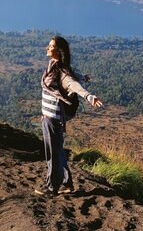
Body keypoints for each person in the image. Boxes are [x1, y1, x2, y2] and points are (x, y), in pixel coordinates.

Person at [35, 35, 103, 196]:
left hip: (53, 118)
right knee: (58, 150)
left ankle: (52, 187)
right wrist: (83, 76)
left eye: (50, 46)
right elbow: (72, 75)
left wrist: (88, 96)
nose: (47, 48)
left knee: (53, 153)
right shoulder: (55, 65)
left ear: (59, 51)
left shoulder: (61, 70)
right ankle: (66, 183)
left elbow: (72, 83)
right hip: (49, 117)